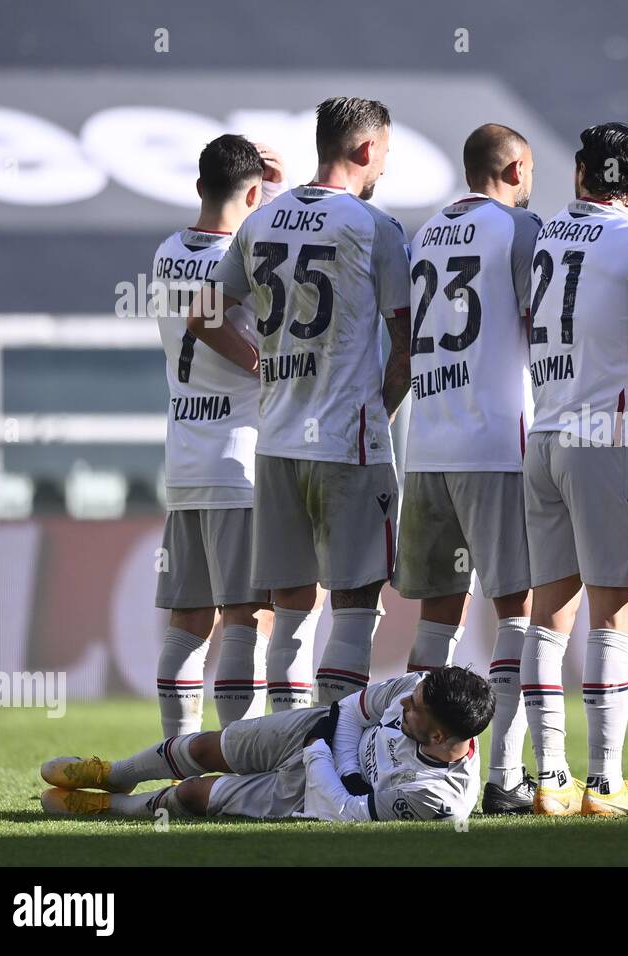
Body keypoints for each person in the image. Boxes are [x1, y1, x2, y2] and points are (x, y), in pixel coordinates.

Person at [188, 97, 409, 710]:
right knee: (356, 601)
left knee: (289, 607)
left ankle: (285, 757)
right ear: (366, 150)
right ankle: (332, 753)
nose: (384, 167)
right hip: (348, 440)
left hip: (278, 439)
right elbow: (406, 349)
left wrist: (264, 367)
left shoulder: (262, 220)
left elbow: (203, 314)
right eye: (385, 154)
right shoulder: (376, 227)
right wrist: (380, 413)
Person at [400, 124, 541, 814]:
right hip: (493, 445)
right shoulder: (518, 229)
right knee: (517, 607)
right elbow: (544, 319)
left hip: (426, 444)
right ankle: (504, 773)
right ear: (516, 167)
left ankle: (412, 761)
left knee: (437, 616)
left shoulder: (425, 232)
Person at [520, 122, 628, 816]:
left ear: (580, 177)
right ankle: (604, 782)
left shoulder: (547, 234)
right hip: (609, 433)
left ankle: (549, 778)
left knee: (549, 612)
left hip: (542, 431)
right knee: (617, 607)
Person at [152, 134, 283, 735]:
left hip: (184, 459)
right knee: (244, 618)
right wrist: (265, 364)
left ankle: (179, 756)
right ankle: (236, 758)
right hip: (240, 458)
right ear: (254, 192)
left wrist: (263, 192)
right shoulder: (251, 255)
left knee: (187, 619)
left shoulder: (166, 252)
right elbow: (215, 319)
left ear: (199, 185)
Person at [39, 667, 489, 824]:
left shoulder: (437, 797)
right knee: (206, 749)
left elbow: (349, 813)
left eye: (416, 708)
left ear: (437, 737)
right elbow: (351, 711)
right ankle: (113, 774)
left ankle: (110, 809)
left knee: (193, 796)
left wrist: (322, 761)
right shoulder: (421, 686)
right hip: (322, 731)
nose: (407, 700)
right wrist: (346, 767)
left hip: (315, 795)